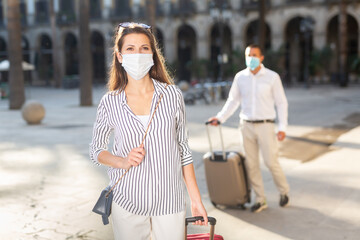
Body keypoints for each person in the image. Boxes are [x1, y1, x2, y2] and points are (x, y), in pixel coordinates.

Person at [89, 22, 208, 240]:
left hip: (170, 202)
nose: (138, 54)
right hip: (127, 202)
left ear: (153, 54)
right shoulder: (110, 102)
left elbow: (183, 149)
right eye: (130, 49)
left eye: (144, 48)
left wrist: (195, 199)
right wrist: (122, 161)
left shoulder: (172, 95)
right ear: (120, 55)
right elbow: (96, 151)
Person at [208, 44, 290, 213]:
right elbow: (233, 101)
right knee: (251, 165)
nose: (251, 58)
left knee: (271, 162)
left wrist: (282, 127)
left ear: (261, 58)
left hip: (266, 125)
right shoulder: (240, 77)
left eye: (254, 55)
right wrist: (220, 117)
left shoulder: (272, 77)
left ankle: (284, 192)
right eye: (248, 55)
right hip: (246, 126)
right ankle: (261, 199)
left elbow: (281, 103)